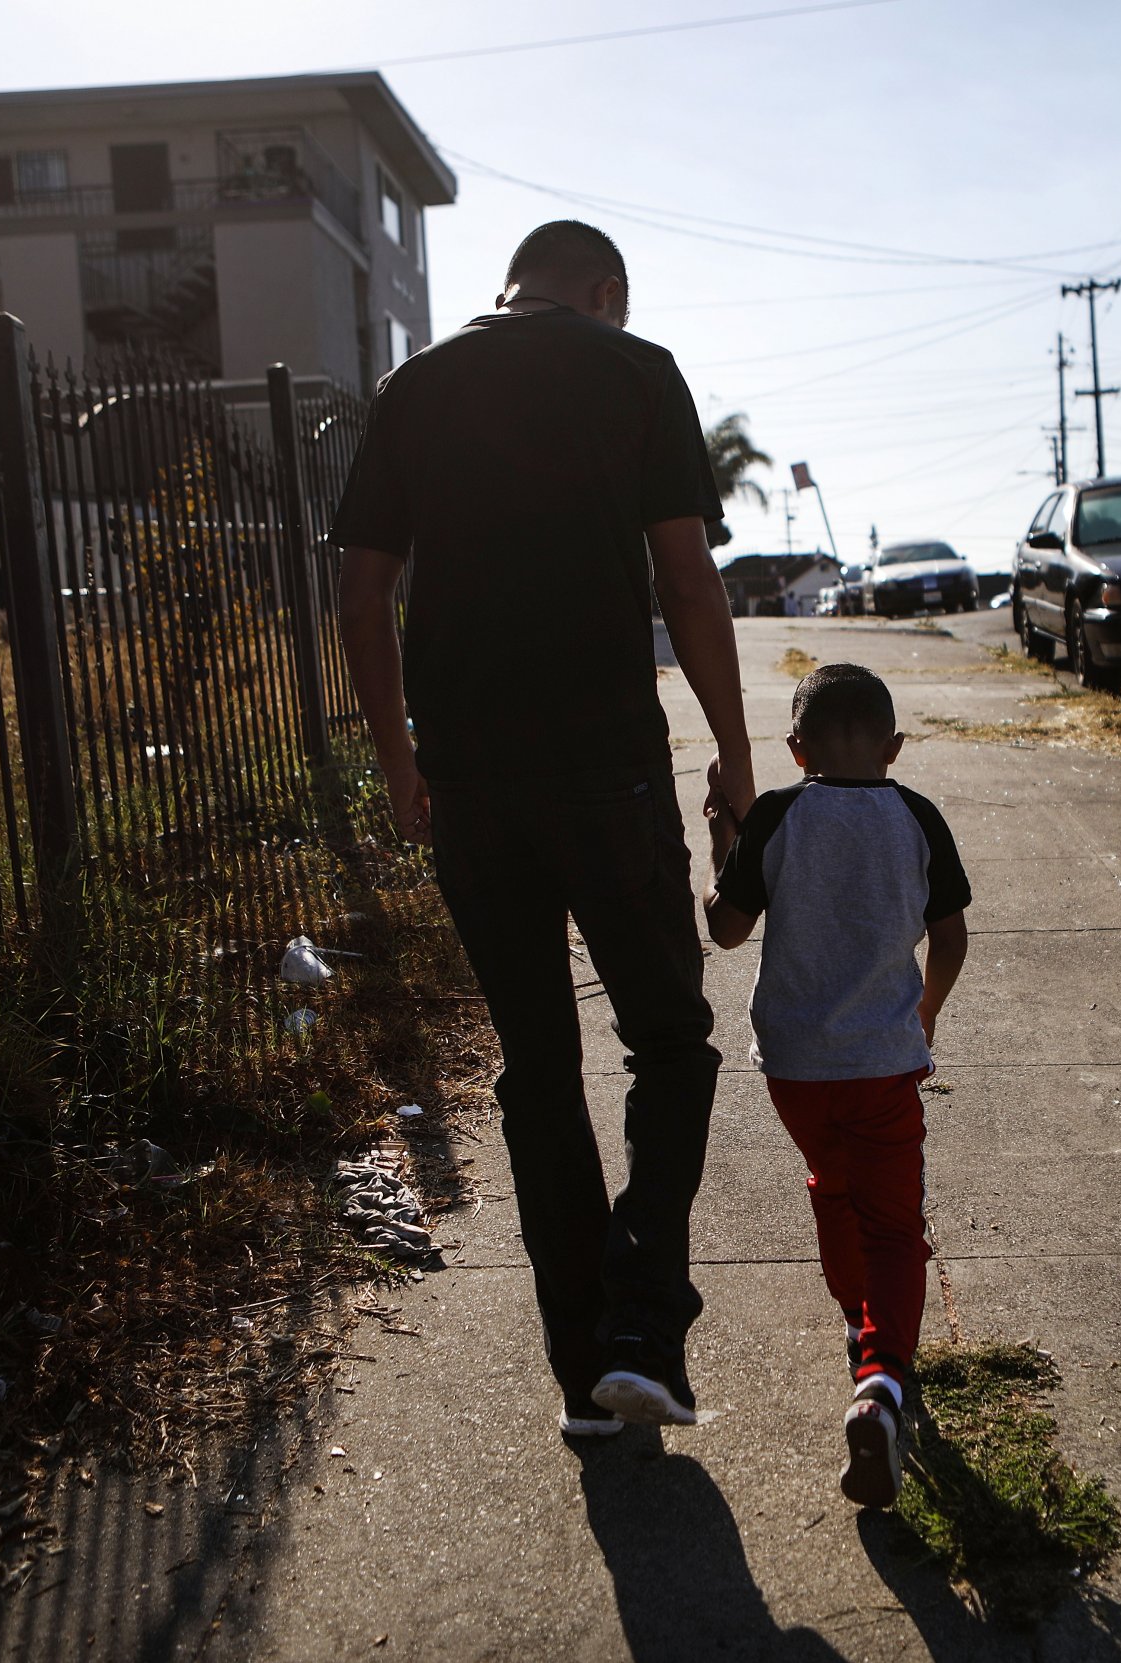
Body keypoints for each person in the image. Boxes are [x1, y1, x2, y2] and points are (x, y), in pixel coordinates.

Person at [332, 220, 754, 1437]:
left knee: (538, 1068)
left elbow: (362, 595)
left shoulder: (412, 385)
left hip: (469, 781)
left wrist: (398, 760)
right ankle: (639, 1324)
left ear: (507, 283)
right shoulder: (634, 369)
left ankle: (583, 1374)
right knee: (669, 1039)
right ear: (603, 291)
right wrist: (728, 746)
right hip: (607, 771)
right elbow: (686, 577)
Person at [702, 665, 970, 1508]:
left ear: (795, 748)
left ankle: (860, 1324)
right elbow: (951, 936)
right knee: (894, 1227)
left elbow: (727, 927)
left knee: (832, 1185)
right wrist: (924, 1011)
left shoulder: (779, 813)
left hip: (795, 1069)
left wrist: (724, 840)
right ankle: (882, 1379)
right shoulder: (918, 816)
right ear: (894, 748)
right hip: (884, 1062)